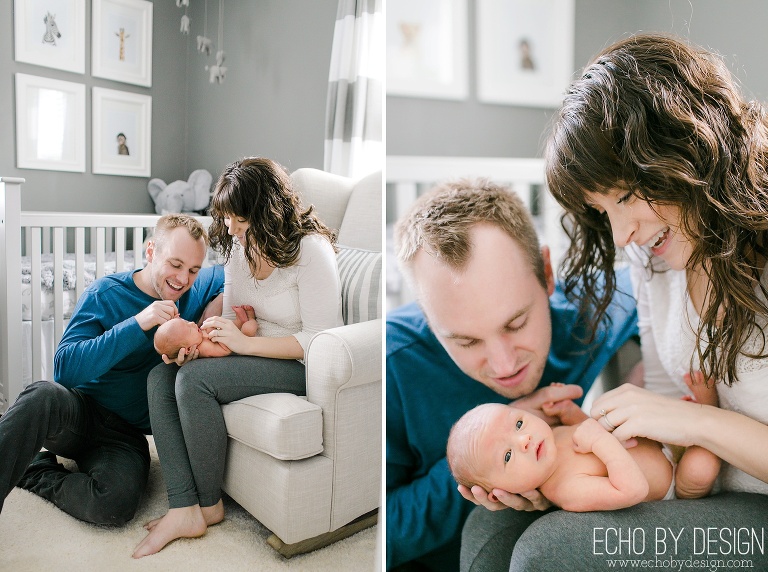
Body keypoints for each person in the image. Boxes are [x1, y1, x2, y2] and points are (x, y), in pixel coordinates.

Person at [462, 32, 768, 571]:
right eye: (603, 211)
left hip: (758, 515)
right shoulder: (654, 258)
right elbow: (673, 405)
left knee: (547, 553)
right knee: (497, 514)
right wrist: (558, 464)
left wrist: (694, 427)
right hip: (695, 483)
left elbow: (683, 418)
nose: (623, 232)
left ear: (686, 149)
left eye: (626, 195)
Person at [386, 179, 639, 571]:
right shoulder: (390, 364)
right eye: (466, 342)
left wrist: (643, 374)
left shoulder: (587, 311)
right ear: (427, 317)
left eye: (517, 323)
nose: (505, 366)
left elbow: (654, 292)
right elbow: (375, 535)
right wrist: (479, 475)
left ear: (547, 274)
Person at [132, 157, 342, 558]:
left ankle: (207, 506)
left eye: (236, 218)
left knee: (195, 382)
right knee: (161, 378)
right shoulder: (238, 251)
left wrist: (243, 345)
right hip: (250, 352)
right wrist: (203, 344)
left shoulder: (310, 251)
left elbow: (320, 339)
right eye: (225, 217)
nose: (229, 228)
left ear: (263, 209)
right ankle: (183, 503)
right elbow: (230, 319)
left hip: (300, 364)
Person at [0, 214, 224, 526]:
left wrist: (205, 322)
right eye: (175, 264)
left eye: (193, 270)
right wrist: (138, 323)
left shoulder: (193, 291)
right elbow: (64, 368)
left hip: (125, 436)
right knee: (42, 395)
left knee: (115, 504)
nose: (183, 278)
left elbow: (228, 278)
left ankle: (36, 471)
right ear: (150, 252)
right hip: (80, 413)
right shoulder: (105, 293)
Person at [447, 379, 721, 510]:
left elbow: (586, 429)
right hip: (672, 479)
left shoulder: (550, 438)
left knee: (647, 407)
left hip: (656, 440)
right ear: (500, 493)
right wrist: (602, 441)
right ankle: (710, 408)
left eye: (518, 424)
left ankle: (690, 417)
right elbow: (632, 490)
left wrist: (572, 414)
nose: (524, 440)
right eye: (507, 456)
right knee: (702, 467)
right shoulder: (565, 489)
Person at [153, 305, 258, 359]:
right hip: (238, 351)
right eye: (190, 329)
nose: (193, 324)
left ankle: (240, 321)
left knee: (231, 326)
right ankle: (251, 319)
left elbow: (182, 330)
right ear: (189, 349)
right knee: (248, 329)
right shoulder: (204, 348)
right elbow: (226, 350)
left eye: (187, 322)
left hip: (232, 339)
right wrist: (212, 331)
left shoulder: (196, 338)